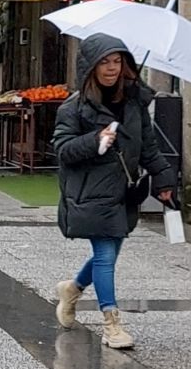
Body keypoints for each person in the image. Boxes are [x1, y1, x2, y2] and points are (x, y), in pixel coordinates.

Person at [52, 32, 178, 350]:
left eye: (117, 61)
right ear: (91, 67)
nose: (111, 68)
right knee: (106, 255)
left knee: (107, 253)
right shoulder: (74, 108)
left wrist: (164, 180)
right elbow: (63, 149)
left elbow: (148, 147)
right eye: (104, 62)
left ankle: (73, 289)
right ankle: (111, 324)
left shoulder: (133, 104)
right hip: (89, 194)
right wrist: (96, 140)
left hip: (124, 191)